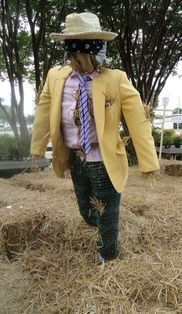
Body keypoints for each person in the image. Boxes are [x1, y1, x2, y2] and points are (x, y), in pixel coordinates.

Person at [30, 12, 159, 262]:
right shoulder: (57, 77)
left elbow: (138, 122)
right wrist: (37, 146)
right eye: (81, 56)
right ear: (73, 52)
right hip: (77, 158)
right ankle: (100, 226)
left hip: (105, 159)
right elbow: (44, 110)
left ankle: (108, 255)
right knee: (87, 210)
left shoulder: (116, 79)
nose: (88, 61)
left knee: (108, 212)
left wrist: (148, 163)